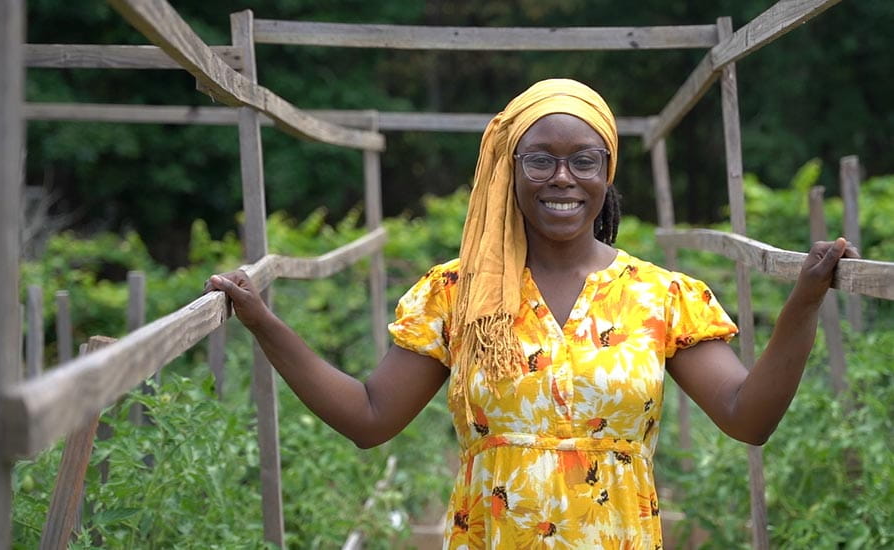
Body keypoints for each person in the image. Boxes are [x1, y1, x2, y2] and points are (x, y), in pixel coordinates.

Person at [206, 78, 859, 549]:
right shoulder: (457, 294)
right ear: (507, 171)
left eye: (584, 160)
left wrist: (802, 304)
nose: (562, 178)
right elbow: (369, 417)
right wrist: (265, 323)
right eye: (540, 159)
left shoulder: (658, 295)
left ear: (608, 171)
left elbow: (749, 417)